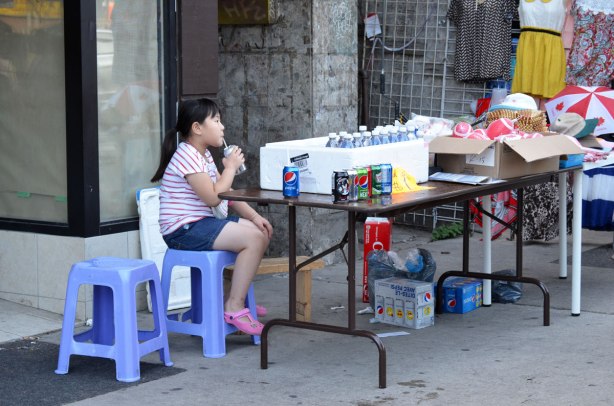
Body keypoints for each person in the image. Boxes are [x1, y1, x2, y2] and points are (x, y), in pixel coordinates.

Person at [151, 98, 273, 336]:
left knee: (260, 232)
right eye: (216, 121)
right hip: (182, 231)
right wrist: (229, 169)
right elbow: (213, 198)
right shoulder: (187, 155)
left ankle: (232, 300)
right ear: (197, 128)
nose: (222, 127)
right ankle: (234, 306)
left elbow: (226, 194)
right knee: (254, 240)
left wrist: (256, 217)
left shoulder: (203, 155)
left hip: (200, 224)